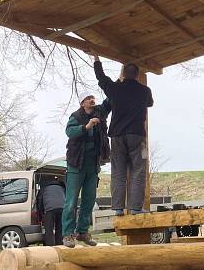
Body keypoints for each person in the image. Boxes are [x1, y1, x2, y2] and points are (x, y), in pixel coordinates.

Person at [93, 55, 154, 216]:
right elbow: (150, 103)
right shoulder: (145, 91)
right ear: (137, 75)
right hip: (137, 136)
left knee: (118, 171)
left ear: (124, 74)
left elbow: (101, 78)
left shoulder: (115, 89)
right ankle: (135, 208)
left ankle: (118, 208)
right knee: (138, 170)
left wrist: (96, 59)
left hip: (117, 135)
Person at [62, 93, 111, 247]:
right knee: (70, 202)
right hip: (76, 165)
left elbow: (109, 101)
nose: (92, 100)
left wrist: (118, 83)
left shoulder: (99, 112)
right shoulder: (75, 116)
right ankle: (67, 235)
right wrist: (87, 126)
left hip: (92, 166)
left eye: (93, 98)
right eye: (88, 98)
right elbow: (69, 132)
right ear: (82, 103)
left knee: (89, 201)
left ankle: (82, 232)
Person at [37, 178, 65, 246]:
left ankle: (50, 247)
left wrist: (40, 214)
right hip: (62, 208)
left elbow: (39, 201)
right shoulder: (61, 187)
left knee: (49, 229)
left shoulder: (44, 188)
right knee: (60, 228)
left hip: (49, 209)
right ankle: (59, 245)